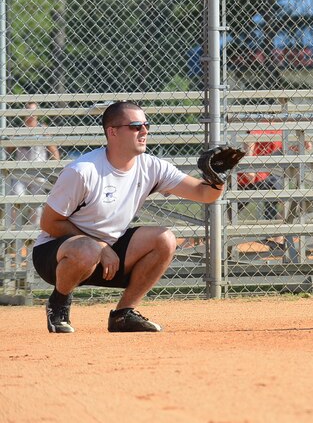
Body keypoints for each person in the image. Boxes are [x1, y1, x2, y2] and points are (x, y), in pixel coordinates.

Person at [33, 101, 230, 334]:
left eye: (146, 125)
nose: (144, 131)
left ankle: (123, 314)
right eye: (136, 126)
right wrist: (100, 247)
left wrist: (218, 178)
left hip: (111, 254)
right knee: (87, 249)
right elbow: (49, 223)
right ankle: (58, 304)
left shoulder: (151, 166)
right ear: (112, 132)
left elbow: (203, 193)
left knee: (164, 239)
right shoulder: (83, 171)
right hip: (57, 255)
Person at [5, 102, 60, 227]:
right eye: (28, 112)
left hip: (39, 172)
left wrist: (55, 170)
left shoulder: (43, 128)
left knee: (37, 206)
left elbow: (54, 150)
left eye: (33, 112)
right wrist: (13, 138)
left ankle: (33, 235)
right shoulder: (18, 130)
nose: (31, 115)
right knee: (16, 195)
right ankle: (14, 231)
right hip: (21, 173)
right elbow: (8, 151)